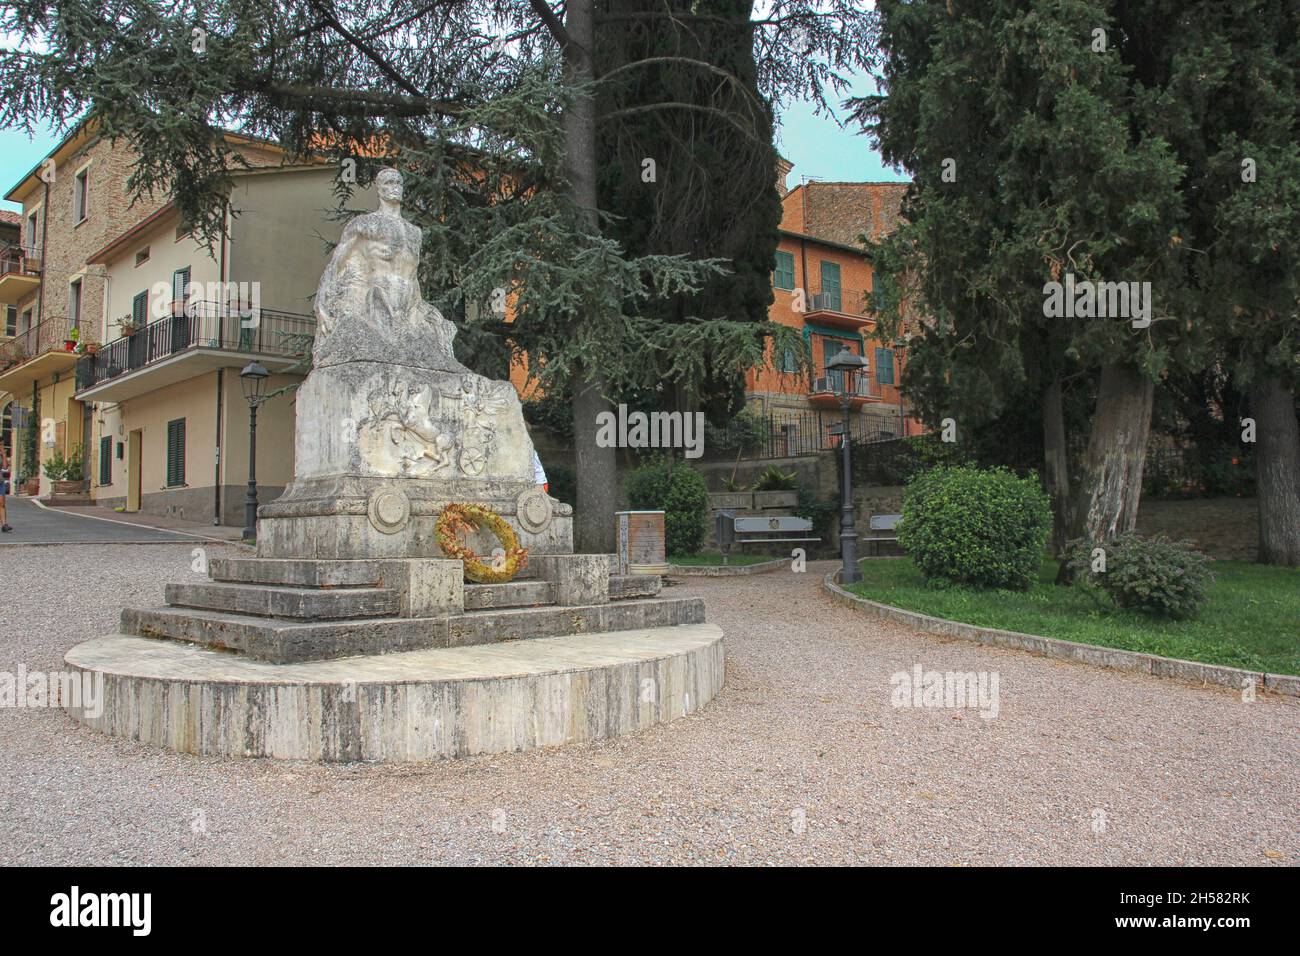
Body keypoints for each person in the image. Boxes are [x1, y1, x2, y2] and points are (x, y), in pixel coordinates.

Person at [0, 446, 11, 532]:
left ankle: (4, 525)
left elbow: (5, 467)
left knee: (2, 504)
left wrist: (4, 455)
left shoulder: (1, 454)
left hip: (0, 482)